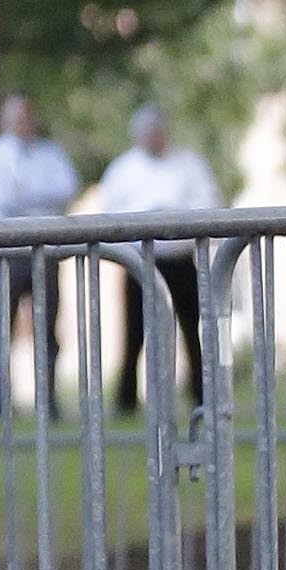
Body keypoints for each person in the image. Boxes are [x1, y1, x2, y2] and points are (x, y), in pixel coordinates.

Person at [81, 101, 225, 414]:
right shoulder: (122, 170)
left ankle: (202, 394)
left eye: (158, 132)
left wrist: (173, 215)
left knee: (192, 328)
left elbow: (208, 203)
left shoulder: (190, 165)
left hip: (181, 259)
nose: (154, 138)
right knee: (134, 333)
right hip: (140, 261)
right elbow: (111, 212)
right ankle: (127, 399)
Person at [0, 90, 81, 416]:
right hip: (2, 250)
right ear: (3, 121)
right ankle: (0, 402)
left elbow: (66, 190)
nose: (23, 123)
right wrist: (37, 200)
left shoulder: (51, 154)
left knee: (47, 329)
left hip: (43, 250)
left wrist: (25, 196)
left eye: (26, 116)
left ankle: (48, 400)